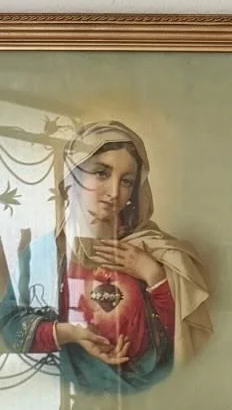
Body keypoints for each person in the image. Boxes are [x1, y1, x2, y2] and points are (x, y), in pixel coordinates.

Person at [0, 120, 211, 394]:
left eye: (126, 181)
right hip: (73, 396)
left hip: (153, 395)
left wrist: (152, 273)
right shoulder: (44, 254)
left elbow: (182, 338)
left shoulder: (154, 249)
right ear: (74, 178)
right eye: (101, 173)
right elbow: (7, 327)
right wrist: (70, 333)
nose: (114, 193)